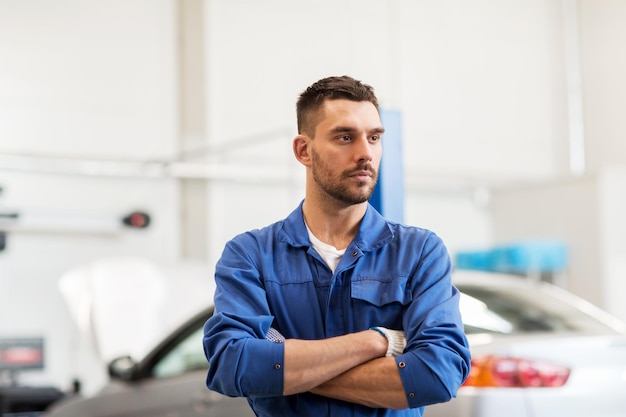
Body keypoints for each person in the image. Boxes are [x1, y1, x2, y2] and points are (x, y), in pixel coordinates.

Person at [202, 75, 471, 417]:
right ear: (304, 150)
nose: (365, 153)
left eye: (374, 138)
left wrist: (286, 366)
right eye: (345, 137)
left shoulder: (419, 252)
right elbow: (232, 365)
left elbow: (437, 375)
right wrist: (378, 341)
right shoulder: (251, 255)